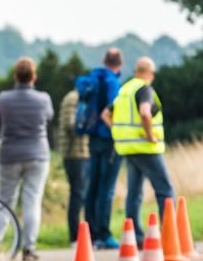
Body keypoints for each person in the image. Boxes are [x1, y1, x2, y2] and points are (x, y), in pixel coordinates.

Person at [0, 57, 54, 261]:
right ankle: (29, 248)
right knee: (32, 201)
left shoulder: (3, 98)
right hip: (38, 154)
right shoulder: (43, 99)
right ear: (34, 77)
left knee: (4, 200)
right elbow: (49, 118)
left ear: (15, 76)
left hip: (9, 154)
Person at [112, 56, 174, 247]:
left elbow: (106, 114)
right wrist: (150, 135)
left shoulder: (124, 90)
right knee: (165, 190)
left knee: (134, 193)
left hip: (127, 148)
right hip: (146, 148)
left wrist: (120, 133)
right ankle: (171, 238)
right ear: (150, 73)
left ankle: (135, 238)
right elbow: (145, 112)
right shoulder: (144, 89)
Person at [84, 48, 124, 250]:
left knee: (92, 185)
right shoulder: (113, 82)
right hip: (108, 139)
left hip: (92, 138)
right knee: (106, 188)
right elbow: (110, 111)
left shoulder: (92, 78)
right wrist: (118, 132)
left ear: (104, 60)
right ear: (120, 64)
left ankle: (89, 233)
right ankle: (104, 234)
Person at [57, 89, 90, 244]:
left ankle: (81, 233)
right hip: (75, 153)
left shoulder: (76, 98)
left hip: (80, 152)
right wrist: (90, 123)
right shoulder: (73, 99)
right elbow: (71, 124)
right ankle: (75, 235)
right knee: (77, 194)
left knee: (80, 194)